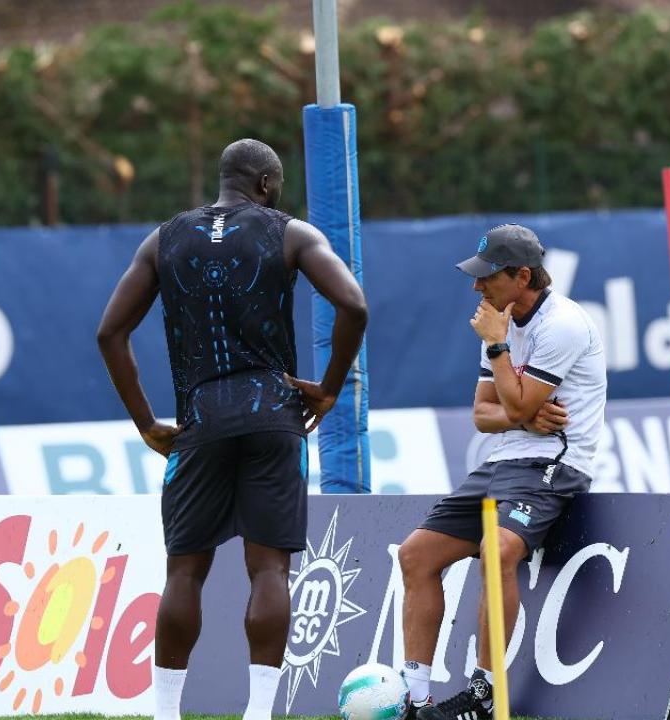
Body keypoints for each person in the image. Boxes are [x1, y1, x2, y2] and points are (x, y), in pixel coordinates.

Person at [96, 138, 368, 720]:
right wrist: (329, 386)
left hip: (200, 420)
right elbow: (353, 304)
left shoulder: (164, 239)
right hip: (274, 416)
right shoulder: (291, 233)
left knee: (184, 574)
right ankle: (259, 712)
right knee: (269, 569)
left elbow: (109, 332)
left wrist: (145, 422)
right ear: (265, 184)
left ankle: (165, 713)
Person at [397, 224, 607, 720]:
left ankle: (485, 692)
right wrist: (522, 413)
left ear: (523, 276)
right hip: (501, 463)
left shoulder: (561, 324)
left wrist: (499, 355)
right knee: (415, 555)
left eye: (487, 276)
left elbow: (511, 405)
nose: (477, 286)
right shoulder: (500, 322)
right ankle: (415, 697)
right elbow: (484, 414)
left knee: (498, 551)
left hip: (554, 464)